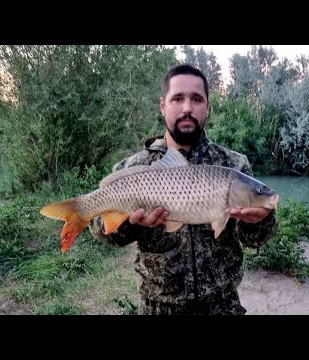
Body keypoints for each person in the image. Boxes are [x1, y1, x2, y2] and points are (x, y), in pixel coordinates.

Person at [89, 64, 278, 315]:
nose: (187, 108)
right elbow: (104, 233)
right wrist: (131, 223)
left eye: (197, 99)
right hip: (159, 308)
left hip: (223, 306)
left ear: (207, 107)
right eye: (178, 98)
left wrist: (259, 220)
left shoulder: (234, 165)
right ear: (163, 105)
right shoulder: (134, 167)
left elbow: (258, 239)